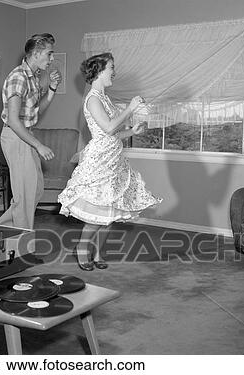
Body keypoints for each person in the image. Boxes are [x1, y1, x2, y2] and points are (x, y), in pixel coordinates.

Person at [58, 52, 162, 271]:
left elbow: (114, 133)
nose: (114, 71)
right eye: (111, 67)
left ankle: (97, 254)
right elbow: (107, 127)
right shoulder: (93, 99)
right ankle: (82, 250)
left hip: (114, 159)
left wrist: (132, 130)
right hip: (100, 161)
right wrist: (130, 109)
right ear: (99, 71)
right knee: (96, 215)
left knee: (110, 213)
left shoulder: (105, 98)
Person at [0, 33, 61, 230]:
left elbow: (36, 111)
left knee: (35, 190)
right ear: (37, 53)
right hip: (16, 136)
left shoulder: (33, 77)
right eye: (49, 54)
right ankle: (22, 248)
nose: (51, 59)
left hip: (26, 135)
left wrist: (52, 88)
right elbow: (14, 121)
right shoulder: (18, 77)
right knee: (25, 195)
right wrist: (39, 145)